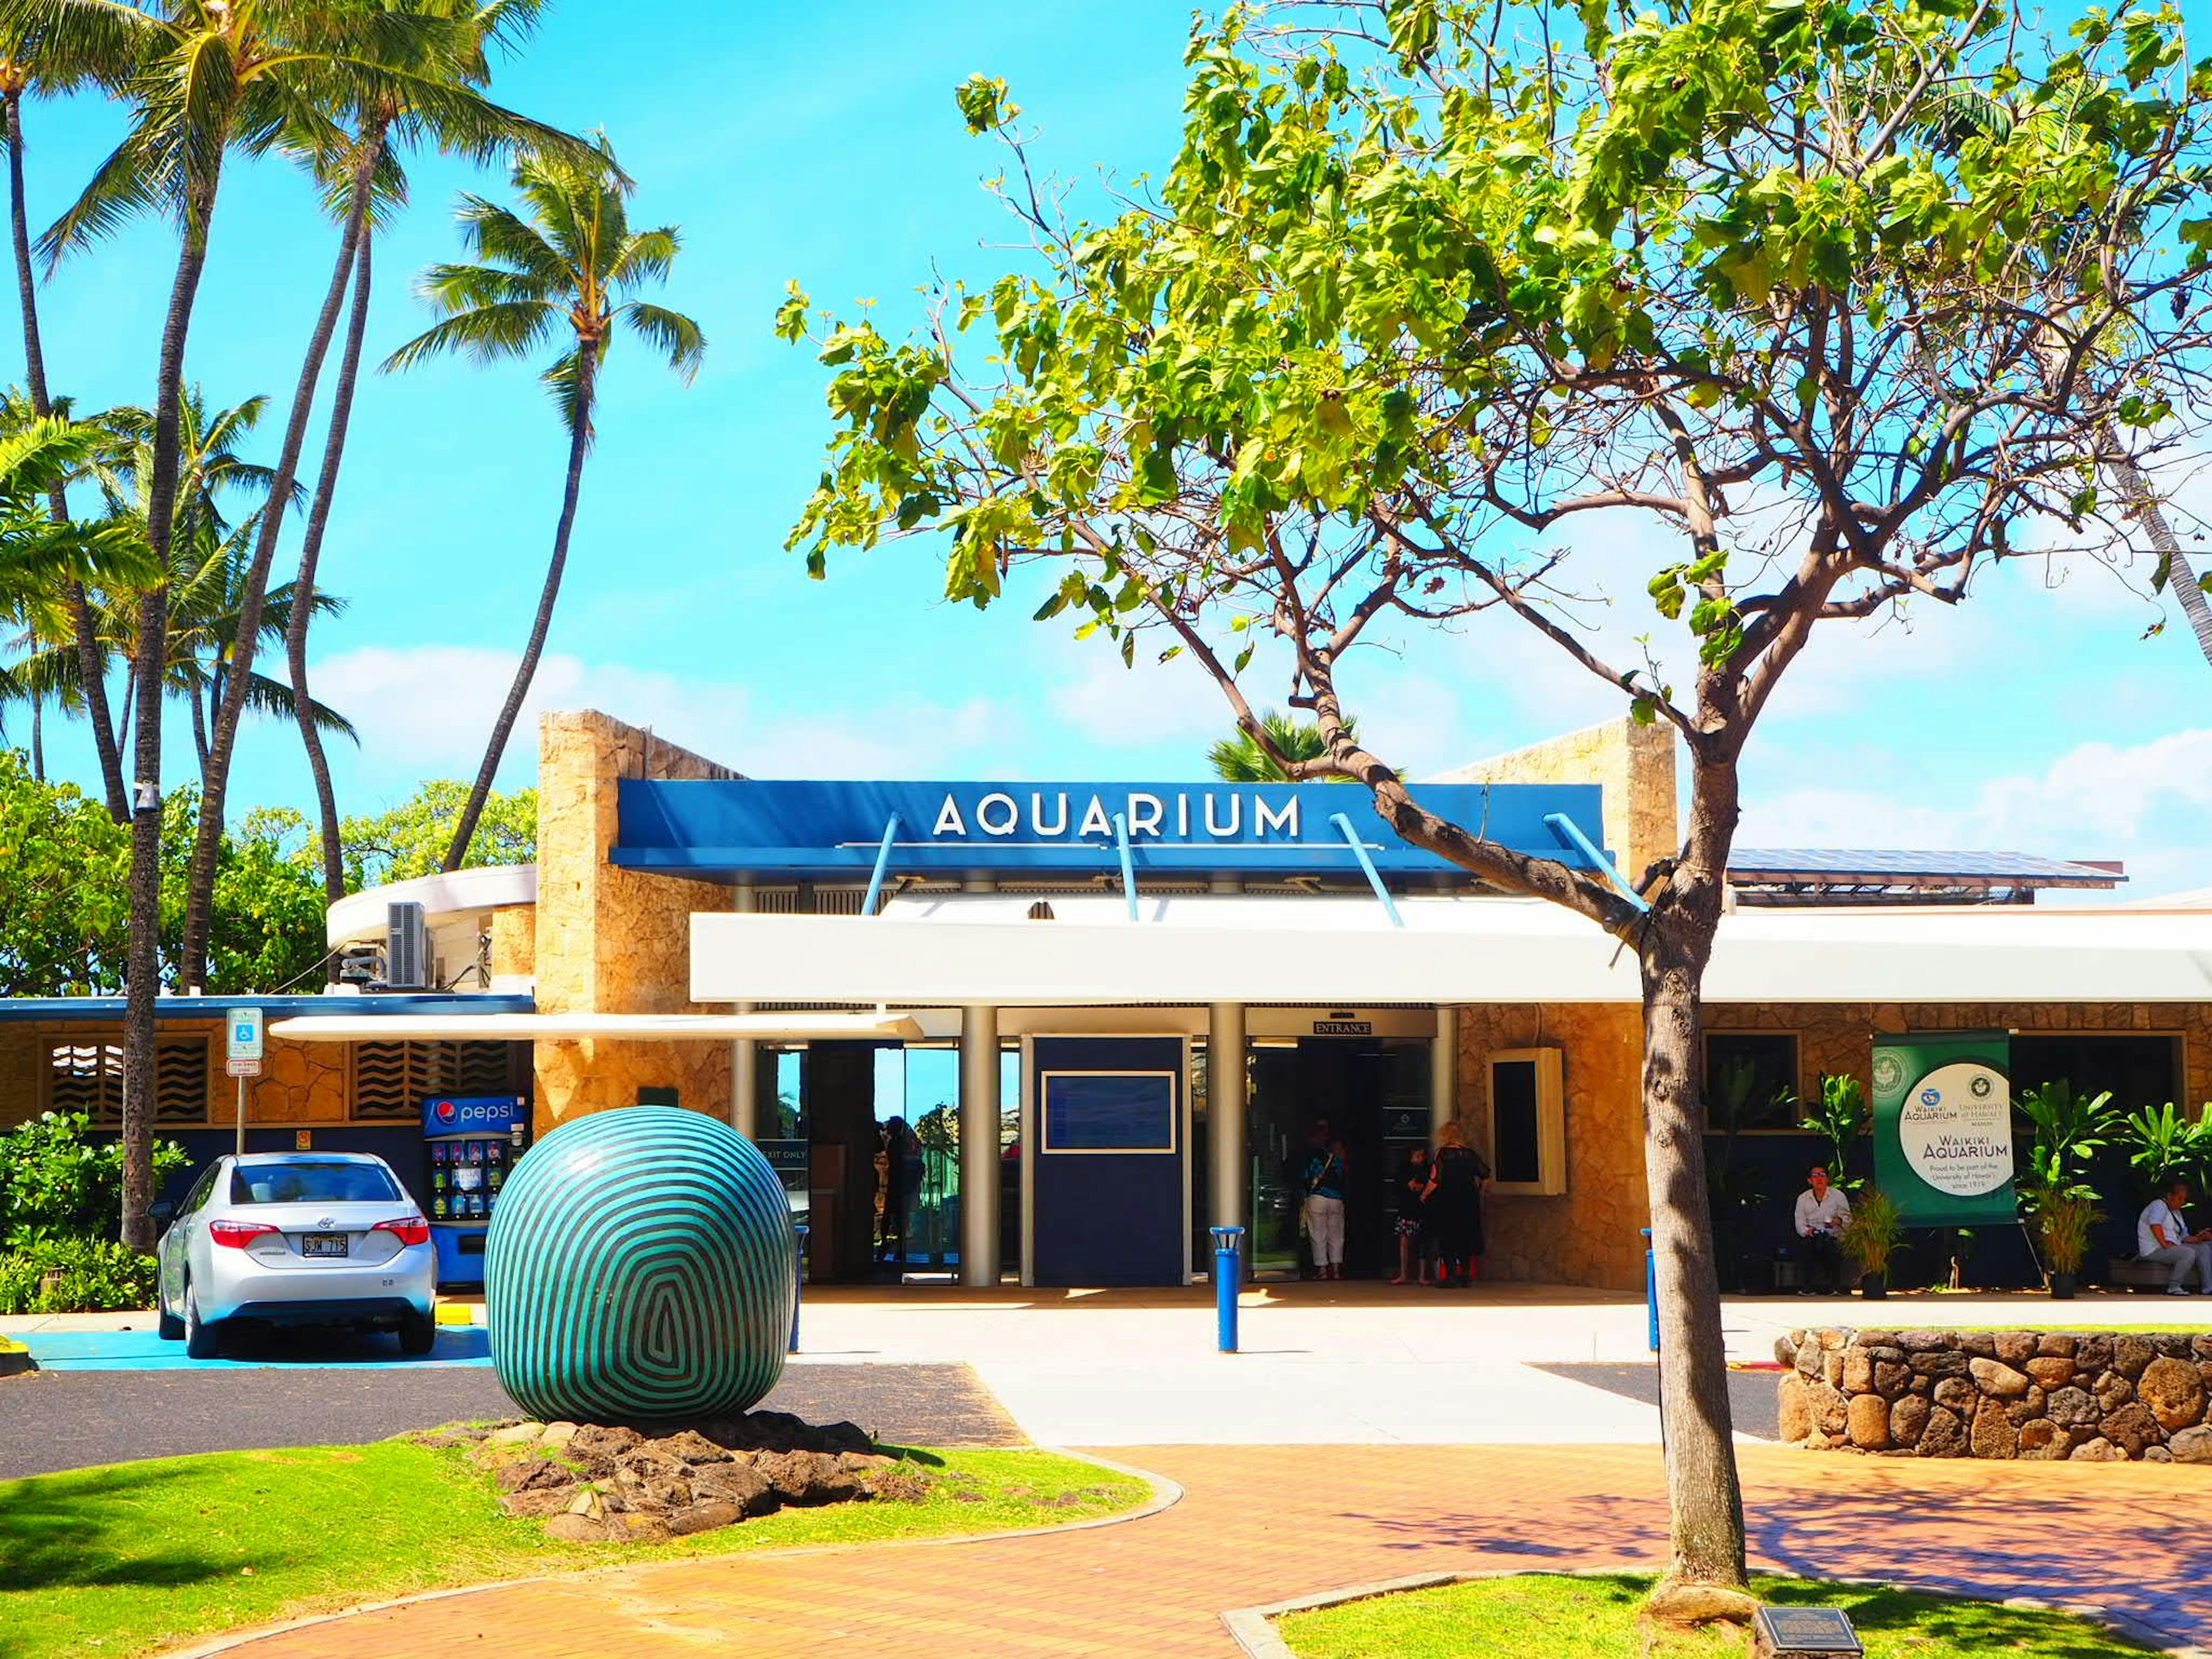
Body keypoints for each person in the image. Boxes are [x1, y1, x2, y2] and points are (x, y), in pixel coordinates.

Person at [1422, 1122, 1489, 1287]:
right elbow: (1486, 1175)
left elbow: (1435, 1179)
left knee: (1448, 1234)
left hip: (1448, 1199)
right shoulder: (1470, 1154)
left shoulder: (1443, 1153)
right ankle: (1465, 1274)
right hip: (1468, 1199)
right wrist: (1479, 1191)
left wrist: (1424, 1194)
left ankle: (1451, 1275)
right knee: (1466, 1234)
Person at [2137, 1177, 2212, 1295]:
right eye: (2179, 1198)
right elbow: (2155, 1225)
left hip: (2173, 1247)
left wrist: (2200, 1238)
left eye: (2184, 1199)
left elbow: (2184, 1238)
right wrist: (2165, 1244)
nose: (2182, 1202)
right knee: (2187, 1253)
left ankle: (2208, 1288)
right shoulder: (2159, 1205)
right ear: (2169, 1195)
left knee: (2204, 1248)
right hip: (2155, 1250)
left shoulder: (2177, 1213)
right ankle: (2174, 1287)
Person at [1793, 1164, 1851, 1294]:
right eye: (1815, 1175)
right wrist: (1808, 1231)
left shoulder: (1838, 1196)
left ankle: (1835, 1287)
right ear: (1809, 1181)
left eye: (1822, 1175)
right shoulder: (1803, 1198)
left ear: (1827, 1179)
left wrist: (1839, 1221)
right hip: (1812, 1235)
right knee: (1806, 1246)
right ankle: (1807, 1288)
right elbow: (1800, 1223)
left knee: (1832, 1247)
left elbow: (1848, 1220)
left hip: (1833, 1235)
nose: (1819, 1179)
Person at [1301, 1119, 1348, 1281]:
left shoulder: (1312, 1157)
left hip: (1317, 1198)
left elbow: (1306, 1177)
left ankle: (1322, 1270)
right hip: (1336, 1199)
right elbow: (1344, 1178)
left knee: (1318, 1234)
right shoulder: (1338, 1161)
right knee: (1337, 1235)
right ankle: (1336, 1270)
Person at [1391, 1146, 1433, 1285]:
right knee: (1404, 1241)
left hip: (1422, 1210)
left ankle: (1422, 1276)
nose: (1420, 1159)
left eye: (1422, 1156)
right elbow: (1397, 1188)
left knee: (1422, 1242)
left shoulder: (1428, 1170)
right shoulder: (1403, 1171)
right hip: (1407, 1209)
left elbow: (1431, 1185)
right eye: (1417, 1156)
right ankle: (1403, 1274)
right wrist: (1407, 1186)